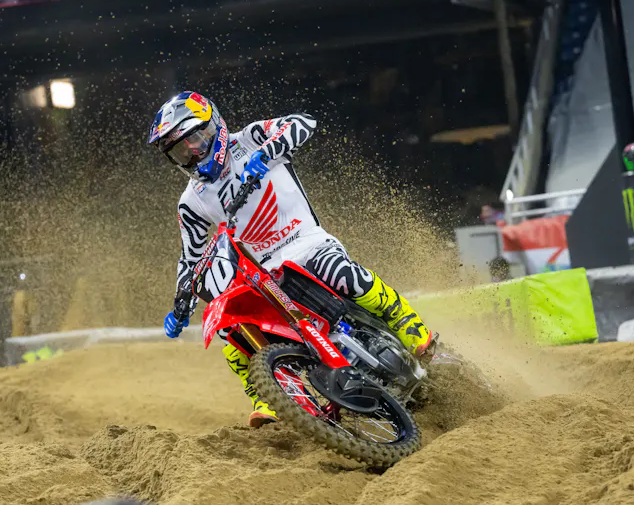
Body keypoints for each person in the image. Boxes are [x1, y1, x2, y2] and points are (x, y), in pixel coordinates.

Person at [149, 91, 436, 428]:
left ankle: (407, 323)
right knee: (231, 331)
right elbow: (191, 258)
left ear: (214, 126)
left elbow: (303, 122)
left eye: (196, 139)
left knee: (344, 275)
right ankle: (269, 395)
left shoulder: (251, 138)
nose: (193, 153)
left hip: (306, 242)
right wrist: (180, 303)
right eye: (181, 151)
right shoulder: (191, 201)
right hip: (262, 271)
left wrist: (267, 152)